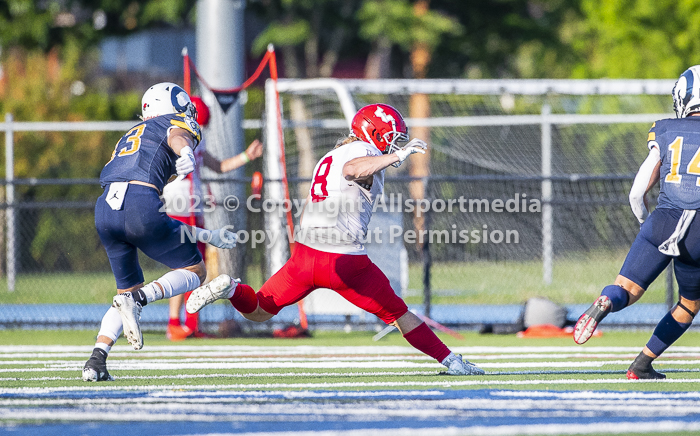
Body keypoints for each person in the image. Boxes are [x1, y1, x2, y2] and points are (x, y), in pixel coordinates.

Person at [185, 103, 485, 376]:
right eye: (391, 137)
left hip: (305, 255)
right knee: (399, 314)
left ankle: (231, 288)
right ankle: (452, 361)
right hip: (344, 260)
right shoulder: (361, 154)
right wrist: (396, 155)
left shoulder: (330, 154)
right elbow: (353, 170)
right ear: (374, 134)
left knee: (260, 311)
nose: (396, 143)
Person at [82, 82, 237, 382]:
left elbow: (160, 219)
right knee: (196, 269)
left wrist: (208, 236)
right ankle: (141, 299)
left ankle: (96, 360)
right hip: (139, 203)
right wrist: (186, 153)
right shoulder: (173, 125)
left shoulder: (129, 135)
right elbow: (177, 135)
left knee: (122, 293)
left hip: (104, 210)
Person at [573, 65, 700, 379]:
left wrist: (648, 225)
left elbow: (637, 192)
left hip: (662, 220)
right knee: (688, 304)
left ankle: (605, 302)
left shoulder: (666, 129)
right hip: (699, 231)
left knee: (625, 289)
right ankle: (641, 364)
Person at [163, 96, 263, 341]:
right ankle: (178, 323)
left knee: (196, 265)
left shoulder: (197, 139)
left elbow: (218, 166)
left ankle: (188, 323)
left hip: (194, 205)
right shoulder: (173, 136)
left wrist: (247, 156)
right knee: (186, 264)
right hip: (180, 204)